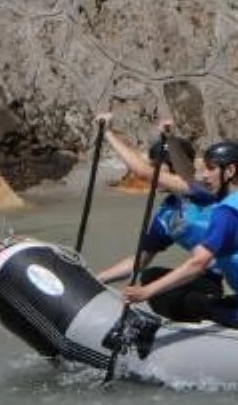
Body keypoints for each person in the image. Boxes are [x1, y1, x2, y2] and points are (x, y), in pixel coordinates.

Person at [123, 139, 238, 335]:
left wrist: (146, 292)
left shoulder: (226, 214)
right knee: (196, 291)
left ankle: (177, 339)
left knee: (189, 300)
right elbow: (191, 180)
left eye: (210, 169)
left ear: (230, 171)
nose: (203, 175)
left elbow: (198, 264)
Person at [92, 114, 222, 322]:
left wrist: (107, 132)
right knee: (150, 276)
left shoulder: (203, 190)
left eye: (158, 168)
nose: (154, 175)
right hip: (197, 277)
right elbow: (138, 261)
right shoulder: (166, 215)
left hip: (214, 281)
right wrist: (98, 279)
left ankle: (218, 318)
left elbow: (144, 172)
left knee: (192, 299)